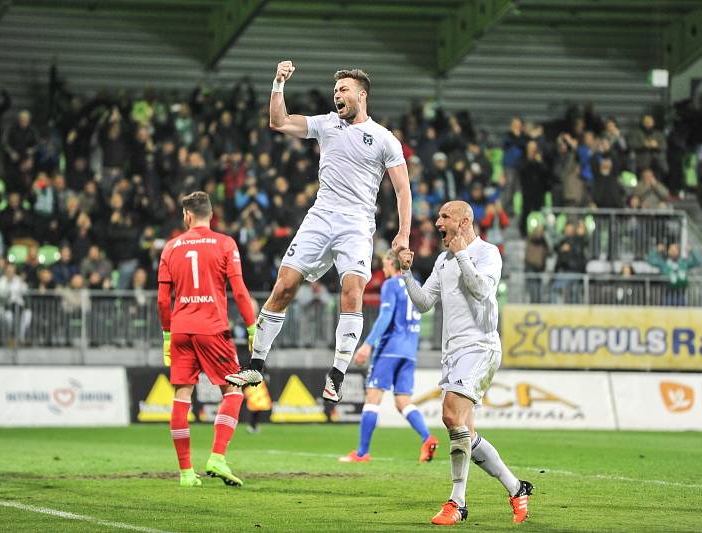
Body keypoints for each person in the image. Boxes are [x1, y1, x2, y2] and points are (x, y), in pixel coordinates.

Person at [226, 61, 412, 404]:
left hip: (356, 222)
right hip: (320, 216)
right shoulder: (327, 124)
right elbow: (278, 121)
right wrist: (278, 84)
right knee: (283, 286)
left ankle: (337, 374)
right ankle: (255, 365)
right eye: (335, 90)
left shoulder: (385, 139)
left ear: (362, 95)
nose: (337, 94)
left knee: (353, 290)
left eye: (343, 90)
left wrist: (403, 234)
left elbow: (402, 189)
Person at [397, 201, 533, 526]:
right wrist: (405, 272)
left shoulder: (488, 253)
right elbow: (424, 303)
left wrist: (461, 255)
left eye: (445, 216)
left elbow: (483, 290)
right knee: (464, 432)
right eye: (439, 216)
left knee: (449, 412)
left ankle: (457, 502)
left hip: (481, 346)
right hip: (454, 353)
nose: (438, 221)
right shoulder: (443, 262)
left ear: (465, 220)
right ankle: (516, 488)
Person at [157, 191, 256, 488]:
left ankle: (186, 472)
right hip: (213, 328)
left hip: (181, 329)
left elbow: (163, 300)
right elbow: (239, 291)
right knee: (235, 390)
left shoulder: (171, 247)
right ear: (211, 215)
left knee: (181, 397)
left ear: (187, 215)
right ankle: (217, 456)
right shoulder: (225, 243)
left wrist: (166, 335)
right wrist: (251, 328)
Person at [338, 251, 438, 464]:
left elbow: (385, 317)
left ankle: (362, 453)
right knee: (403, 402)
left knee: (372, 399)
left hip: (389, 350)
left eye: (385, 263)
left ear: (393, 263)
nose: (382, 268)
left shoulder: (391, 285)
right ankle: (427, 438)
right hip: (410, 351)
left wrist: (367, 345)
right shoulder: (415, 284)